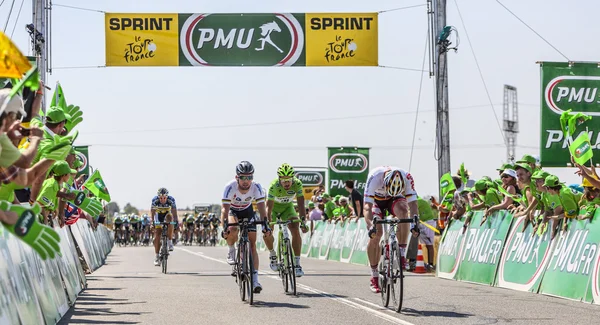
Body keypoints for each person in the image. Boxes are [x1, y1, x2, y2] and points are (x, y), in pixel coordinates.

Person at [364, 166, 420, 293]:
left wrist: (414, 224)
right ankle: (374, 275)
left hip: (395, 200)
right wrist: (370, 226)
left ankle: (401, 252)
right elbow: (367, 207)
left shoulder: (407, 177)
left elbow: (413, 204)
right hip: (376, 202)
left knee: (403, 211)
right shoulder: (374, 177)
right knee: (376, 234)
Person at [221, 161, 270, 293]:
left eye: (249, 177)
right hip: (233, 211)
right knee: (233, 229)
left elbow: (262, 209)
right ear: (237, 177)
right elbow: (224, 210)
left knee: (252, 244)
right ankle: (231, 249)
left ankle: (255, 280)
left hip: (248, 211)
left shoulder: (257, 187)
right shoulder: (230, 187)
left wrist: (265, 224)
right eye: (243, 177)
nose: (246, 181)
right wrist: (224, 226)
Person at [263, 163, 307, 277]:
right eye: (283, 180)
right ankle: (273, 254)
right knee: (268, 232)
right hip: (273, 209)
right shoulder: (274, 186)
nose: (286, 183)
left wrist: (303, 220)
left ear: (293, 178)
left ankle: (297, 264)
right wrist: (268, 223)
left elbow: (301, 204)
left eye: (288, 180)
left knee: (295, 229)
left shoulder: (297, 184)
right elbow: (268, 208)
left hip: (287, 208)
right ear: (279, 179)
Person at [150, 187, 178, 266]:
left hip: (167, 215)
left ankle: (169, 241)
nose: (162, 200)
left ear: (167, 197)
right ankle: (156, 256)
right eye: (161, 198)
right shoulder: (155, 200)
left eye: (164, 198)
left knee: (171, 220)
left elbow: (174, 212)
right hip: (158, 216)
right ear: (158, 197)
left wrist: (176, 223)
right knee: (157, 235)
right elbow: (152, 212)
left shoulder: (171, 200)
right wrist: (152, 223)